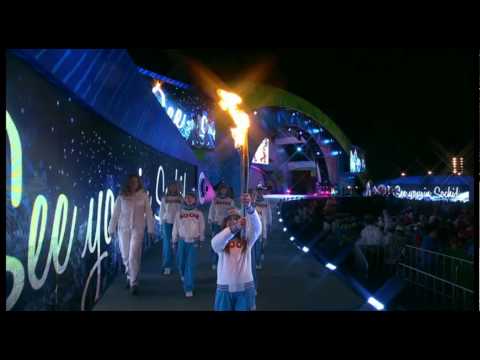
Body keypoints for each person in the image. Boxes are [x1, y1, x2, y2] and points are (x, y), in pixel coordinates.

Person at [211, 193, 262, 311]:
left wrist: (249, 207)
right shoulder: (222, 239)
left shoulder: (247, 239)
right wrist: (235, 228)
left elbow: (257, 228)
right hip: (224, 288)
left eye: (236, 218)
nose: (233, 221)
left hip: (245, 287)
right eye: (230, 219)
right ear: (225, 222)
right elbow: (215, 244)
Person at [108, 174, 155, 295]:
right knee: (125, 255)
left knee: (133, 254)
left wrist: (151, 229)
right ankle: (130, 276)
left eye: (136, 182)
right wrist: (111, 229)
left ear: (139, 183)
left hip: (138, 229)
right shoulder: (121, 196)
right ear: (128, 183)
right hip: (123, 229)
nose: (134, 184)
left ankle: (134, 283)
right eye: (132, 182)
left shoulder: (143, 196)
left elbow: (149, 214)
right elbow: (115, 214)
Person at [172, 191, 205, 297]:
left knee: (190, 264)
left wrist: (201, 239)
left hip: (194, 241)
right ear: (184, 199)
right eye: (187, 197)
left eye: (191, 197)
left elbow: (202, 227)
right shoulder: (179, 213)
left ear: (195, 200)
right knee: (181, 262)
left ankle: (189, 287)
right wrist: (174, 240)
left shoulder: (199, 213)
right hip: (182, 240)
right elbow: (175, 227)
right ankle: (183, 275)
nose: (189, 199)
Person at [208, 183, 235, 270]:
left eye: (225, 189)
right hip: (216, 224)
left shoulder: (230, 201)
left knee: (226, 244)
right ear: (219, 190)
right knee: (215, 243)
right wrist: (211, 222)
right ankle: (214, 262)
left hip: (226, 225)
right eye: (222, 189)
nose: (223, 190)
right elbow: (211, 212)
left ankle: (226, 262)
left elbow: (233, 213)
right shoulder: (215, 200)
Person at [159, 182, 183, 275]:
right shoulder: (164, 198)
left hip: (178, 223)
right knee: (167, 245)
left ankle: (179, 264)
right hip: (167, 223)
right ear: (168, 188)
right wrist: (161, 222)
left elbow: (183, 210)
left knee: (178, 243)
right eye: (171, 187)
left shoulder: (181, 198)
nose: (173, 189)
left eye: (175, 187)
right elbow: (161, 211)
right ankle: (167, 266)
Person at [253, 184, 272, 270]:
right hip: (255, 227)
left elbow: (269, 214)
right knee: (256, 244)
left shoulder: (266, 202)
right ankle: (257, 261)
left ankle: (261, 253)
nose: (260, 192)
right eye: (258, 190)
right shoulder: (253, 202)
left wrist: (269, 224)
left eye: (261, 190)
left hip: (264, 224)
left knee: (263, 243)